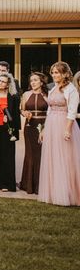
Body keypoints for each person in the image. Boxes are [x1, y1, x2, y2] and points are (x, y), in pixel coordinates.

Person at [38, 61, 80, 206]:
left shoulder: (71, 90)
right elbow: (49, 110)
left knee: (66, 159)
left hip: (64, 124)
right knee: (53, 158)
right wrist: (44, 129)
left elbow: (72, 111)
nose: (55, 75)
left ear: (65, 74)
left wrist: (68, 129)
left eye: (57, 72)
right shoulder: (52, 88)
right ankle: (54, 192)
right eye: (53, 72)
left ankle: (68, 194)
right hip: (51, 125)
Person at [19, 72, 48, 194]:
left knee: (42, 154)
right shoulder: (26, 94)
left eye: (36, 80)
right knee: (30, 154)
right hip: (30, 125)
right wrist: (24, 113)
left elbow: (51, 111)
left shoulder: (47, 95)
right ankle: (28, 184)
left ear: (41, 82)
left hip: (45, 125)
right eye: (31, 80)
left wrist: (46, 127)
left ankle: (41, 185)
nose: (33, 82)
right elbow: (21, 109)